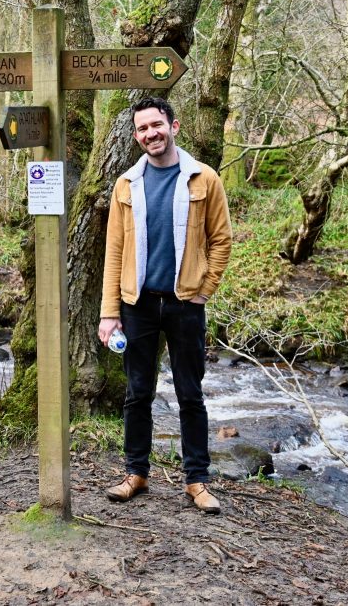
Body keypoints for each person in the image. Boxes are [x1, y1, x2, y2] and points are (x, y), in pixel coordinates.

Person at [98, 96, 232, 513]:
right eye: (142, 129)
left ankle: (197, 481)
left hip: (185, 304)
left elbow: (221, 240)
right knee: (138, 393)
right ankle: (135, 473)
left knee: (190, 394)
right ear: (136, 136)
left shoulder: (203, 178)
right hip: (137, 304)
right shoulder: (126, 184)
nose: (150, 134)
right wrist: (109, 312)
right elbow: (114, 251)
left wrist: (204, 289)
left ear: (173, 127)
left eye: (156, 125)